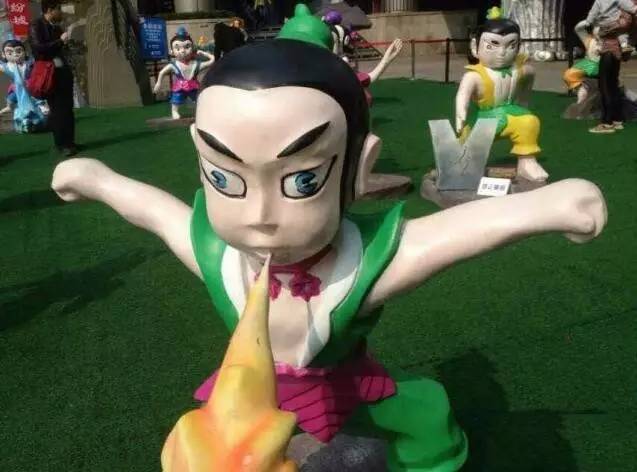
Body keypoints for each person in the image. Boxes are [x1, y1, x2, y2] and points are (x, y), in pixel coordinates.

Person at [52, 37, 607, 471]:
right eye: (225, 177)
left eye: (301, 180)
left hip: (341, 384)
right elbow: (157, 212)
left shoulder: (362, 263)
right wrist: (99, 180)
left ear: (359, 168)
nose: (259, 214)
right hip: (248, 395)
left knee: (420, 421)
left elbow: (455, 232)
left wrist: (543, 207)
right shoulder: (218, 255)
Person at [456, 7, 548, 182]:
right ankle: (466, 164)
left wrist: (523, 100)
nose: (502, 53)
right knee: (472, 147)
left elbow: (529, 76)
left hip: (513, 114)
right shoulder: (474, 75)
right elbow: (462, 95)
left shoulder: (520, 70)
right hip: (486, 119)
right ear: (475, 47)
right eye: (492, 46)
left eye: (511, 45)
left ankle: (527, 162)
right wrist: (460, 115)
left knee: (529, 122)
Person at [29, 0, 77, 156]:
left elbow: (61, 48)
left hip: (63, 71)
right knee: (57, 109)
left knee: (67, 108)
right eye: (58, 9)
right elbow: (38, 49)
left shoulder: (56, 27)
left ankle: (70, 142)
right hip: (49, 73)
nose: (60, 12)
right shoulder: (36, 25)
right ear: (50, 10)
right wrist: (60, 41)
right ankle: (61, 144)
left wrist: (66, 42)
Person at [584, 0, 637, 133]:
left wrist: (602, 28)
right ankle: (617, 119)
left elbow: (620, 24)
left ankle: (607, 122)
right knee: (612, 84)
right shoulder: (625, 6)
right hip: (616, 48)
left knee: (605, 85)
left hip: (609, 49)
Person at [153, 27, 215, 120]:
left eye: (187, 47)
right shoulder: (173, 65)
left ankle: (200, 111)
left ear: (192, 48)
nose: (182, 51)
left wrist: (203, 53)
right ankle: (174, 111)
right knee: (176, 98)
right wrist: (158, 83)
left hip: (193, 86)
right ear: (172, 51)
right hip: (180, 86)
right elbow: (162, 72)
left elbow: (212, 60)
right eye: (177, 48)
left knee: (198, 98)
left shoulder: (196, 64)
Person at [0, 37, 48, 132]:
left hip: (29, 86)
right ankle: (10, 107)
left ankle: (41, 106)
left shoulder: (28, 63)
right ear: (3, 55)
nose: (15, 55)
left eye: (18, 51)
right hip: (16, 88)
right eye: (10, 53)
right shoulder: (7, 66)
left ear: (25, 52)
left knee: (35, 97)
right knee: (11, 98)